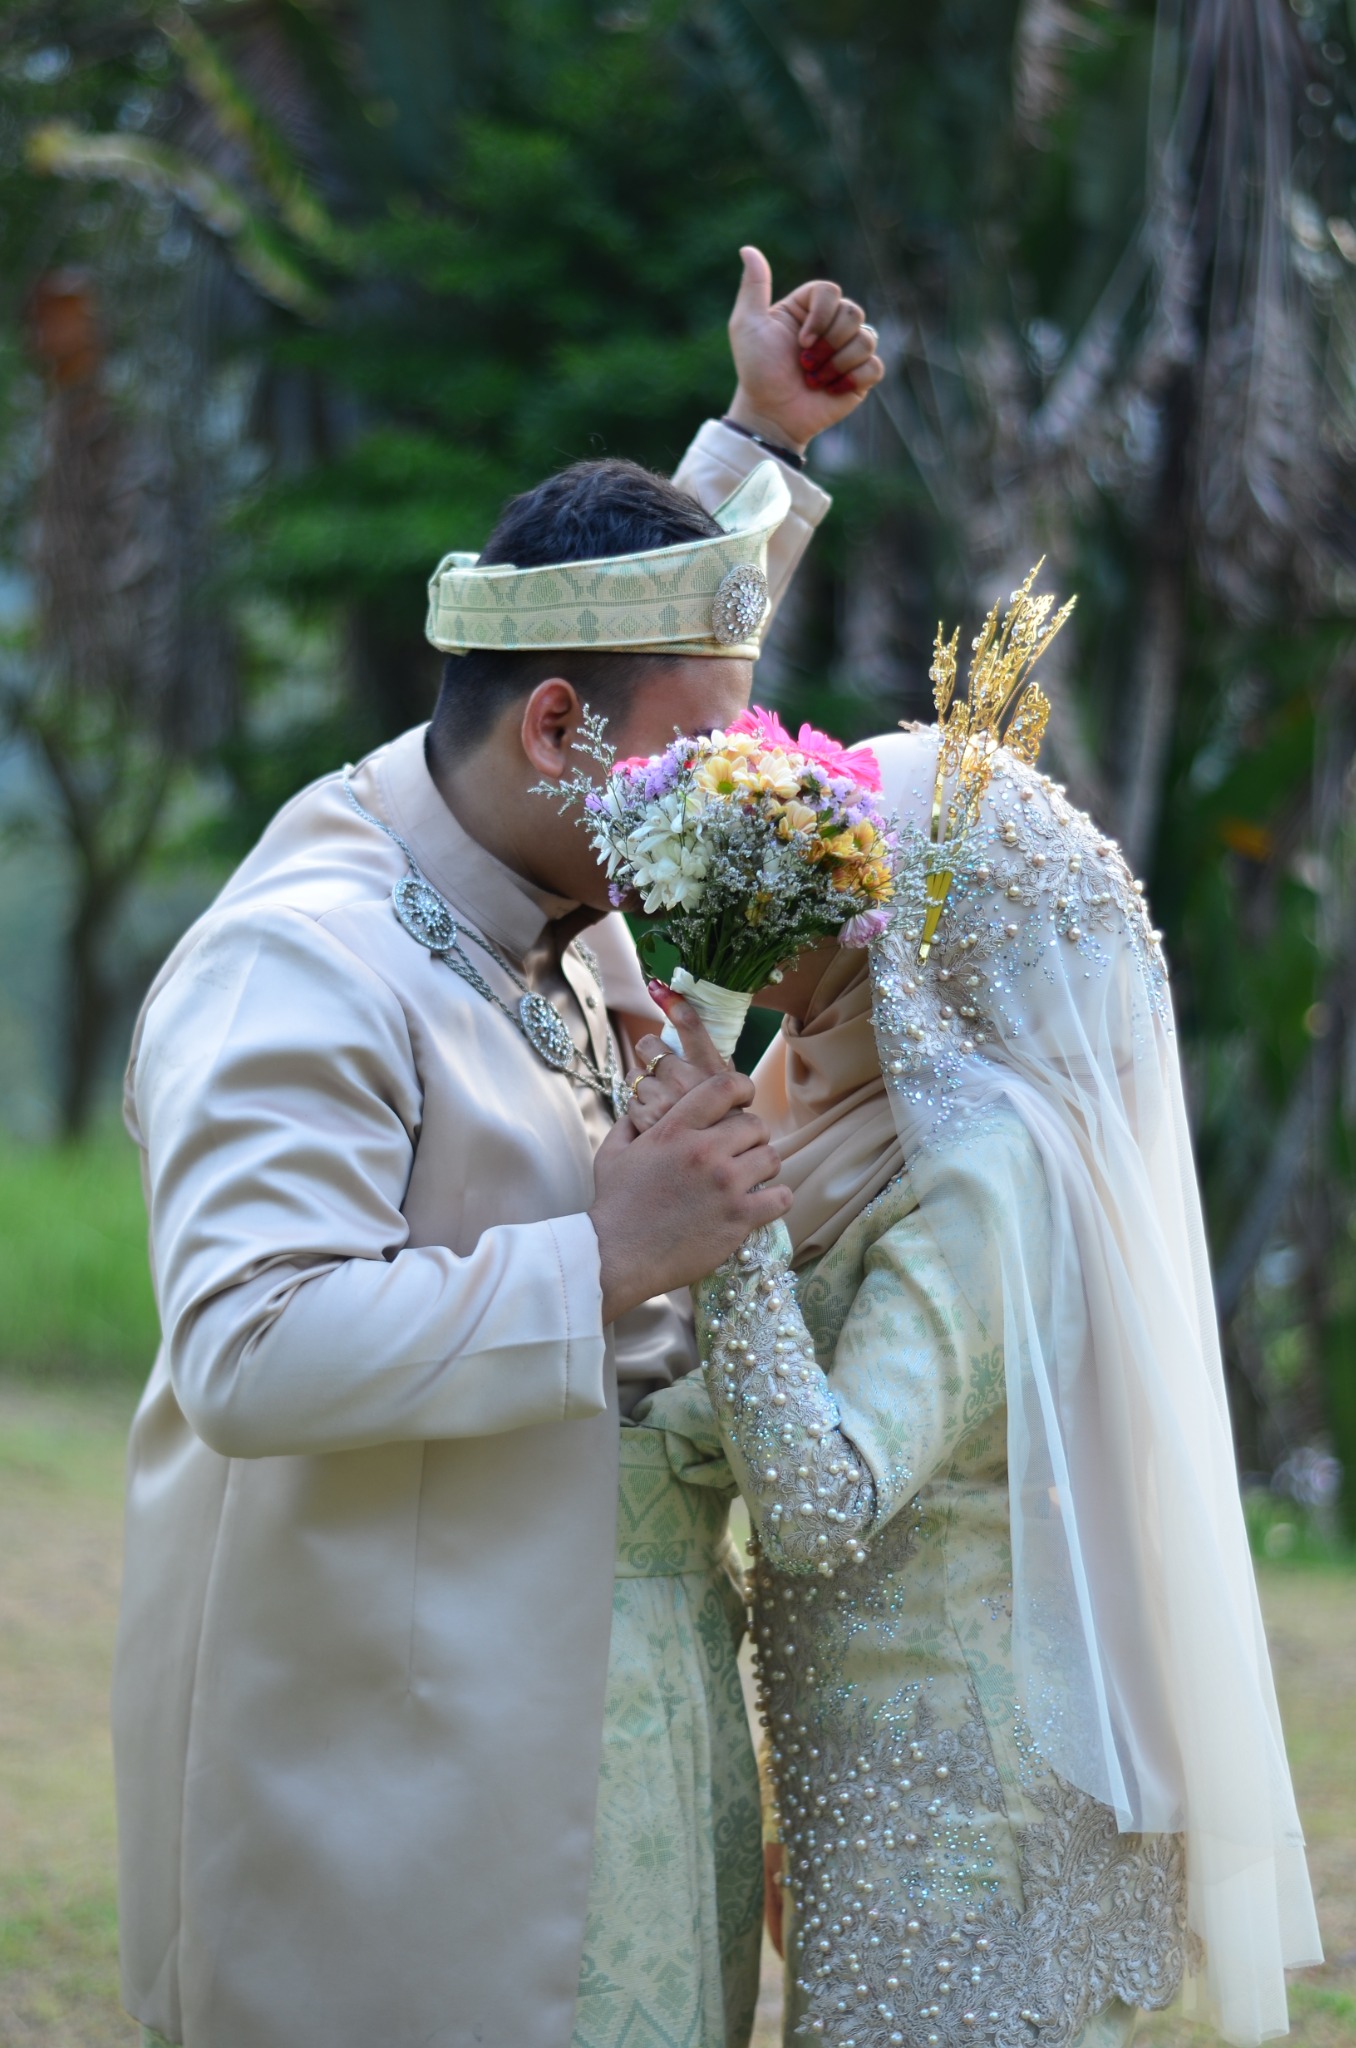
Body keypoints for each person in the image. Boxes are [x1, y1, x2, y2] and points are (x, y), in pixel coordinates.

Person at [113, 248, 884, 2048]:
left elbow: (646, 654)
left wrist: (761, 444)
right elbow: (247, 1348)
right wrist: (605, 1257)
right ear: (554, 732)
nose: (730, 799)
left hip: (590, 1714)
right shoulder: (304, 957)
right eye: (703, 765)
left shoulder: (561, 852)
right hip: (381, 1768)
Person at [632, 718, 1322, 2048]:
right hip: (864, 1758)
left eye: (830, 884)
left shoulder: (984, 1172)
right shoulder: (841, 1111)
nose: (784, 917)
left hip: (956, 1790)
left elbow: (825, 1502)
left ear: (916, 935)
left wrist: (730, 1238)